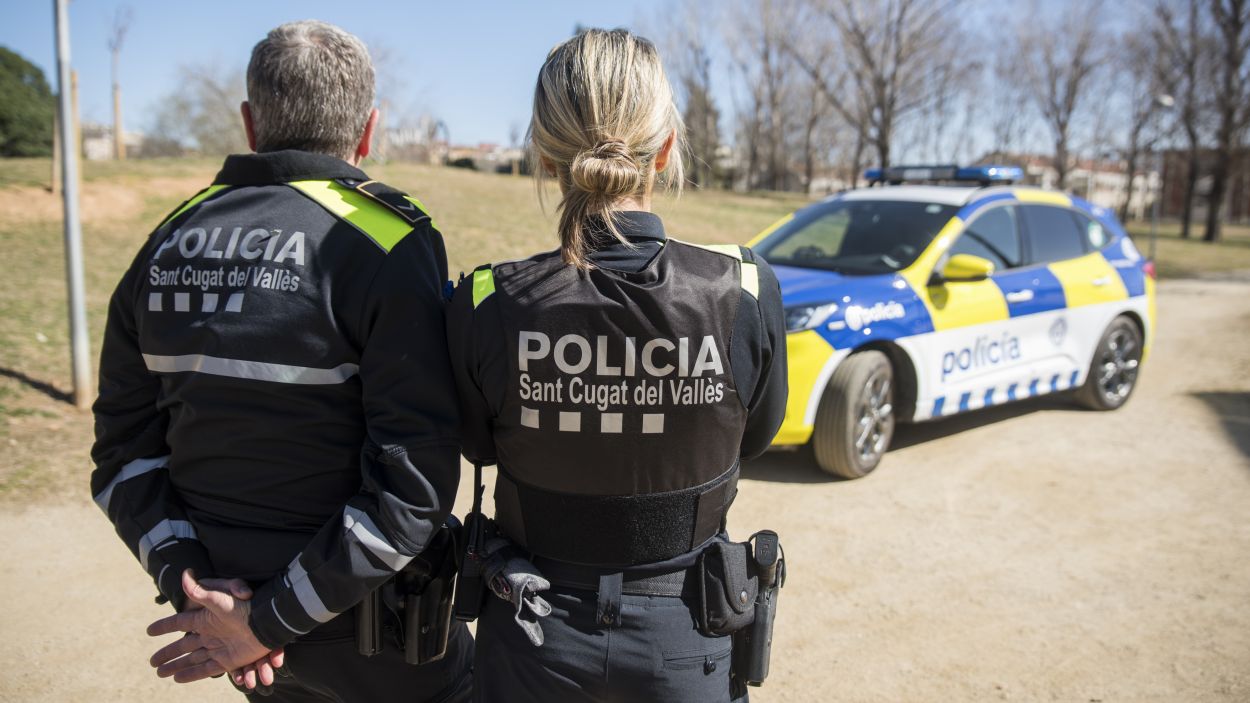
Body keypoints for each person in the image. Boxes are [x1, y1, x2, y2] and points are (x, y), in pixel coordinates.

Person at [90, 20, 472, 701]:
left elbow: (122, 457)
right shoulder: (389, 240)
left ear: (249, 121)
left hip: (234, 632)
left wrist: (200, 589)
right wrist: (264, 620)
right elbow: (413, 485)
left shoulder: (166, 241)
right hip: (372, 637)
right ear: (368, 131)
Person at [446, 28, 787, 703]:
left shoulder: (486, 299)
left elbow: (476, 442)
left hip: (530, 637)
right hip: (687, 639)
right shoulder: (744, 288)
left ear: (545, 156)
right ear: (664, 149)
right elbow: (756, 433)